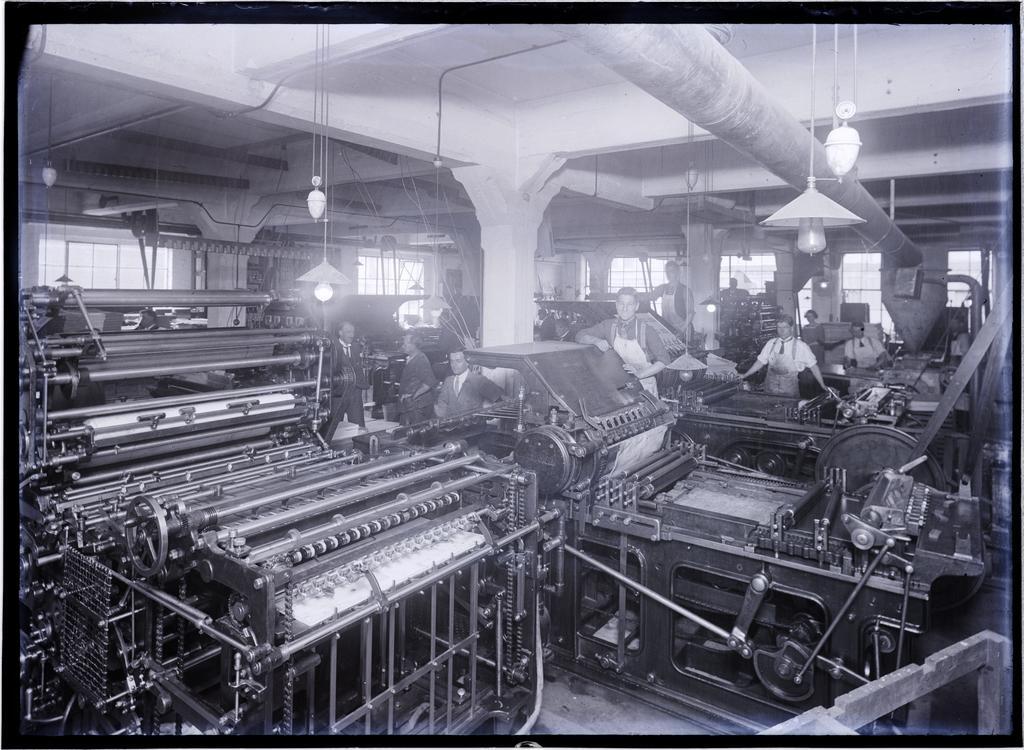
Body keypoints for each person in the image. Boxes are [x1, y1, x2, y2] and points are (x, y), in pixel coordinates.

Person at [575, 286, 670, 395]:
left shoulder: (647, 330)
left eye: (630, 304)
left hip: (644, 387)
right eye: (621, 304)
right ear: (616, 305)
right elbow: (580, 335)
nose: (625, 308)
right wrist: (596, 341)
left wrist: (639, 374)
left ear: (636, 306)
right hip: (618, 387)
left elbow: (664, 361)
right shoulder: (608, 326)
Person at [740, 314, 837, 398]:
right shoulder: (771, 343)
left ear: (791, 328)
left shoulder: (801, 346)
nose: (781, 331)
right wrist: (745, 375)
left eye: (785, 327)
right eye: (779, 327)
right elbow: (760, 362)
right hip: (770, 388)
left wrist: (822, 385)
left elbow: (813, 366)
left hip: (789, 390)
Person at [320, 321, 368, 440]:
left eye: (353, 332)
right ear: (340, 332)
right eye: (348, 332)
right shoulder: (331, 348)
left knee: (359, 426)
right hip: (338, 394)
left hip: (355, 392)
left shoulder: (356, 347)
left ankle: (360, 446)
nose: (352, 335)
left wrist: (361, 385)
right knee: (333, 426)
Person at [435, 350, 504, 419]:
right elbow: (441, 408)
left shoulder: (479, 380)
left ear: (468, 362)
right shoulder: (448, 381)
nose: (454, 365)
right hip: (452, 425)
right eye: (452, 361)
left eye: (458, 361)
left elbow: (502, 401)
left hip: (474, 425)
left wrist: (488, 413)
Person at [397, 331, 438, 425]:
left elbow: (429, 383)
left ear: (414, 345)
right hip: (409, 406)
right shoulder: (411, 358)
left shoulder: (421, 360)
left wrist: (413, 396)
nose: (403, 346)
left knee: (416, 432)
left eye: (405, 344)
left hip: (417, 408)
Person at [650, 260, 695, 339]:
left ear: (677, 273)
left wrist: (682, 330)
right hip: (667, 328)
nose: (668, 274)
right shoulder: (663, 288)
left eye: (671, 271)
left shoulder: (685, 290)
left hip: (683, 330)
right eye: (667, 271)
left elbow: (690, 313)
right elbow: (651, 296)